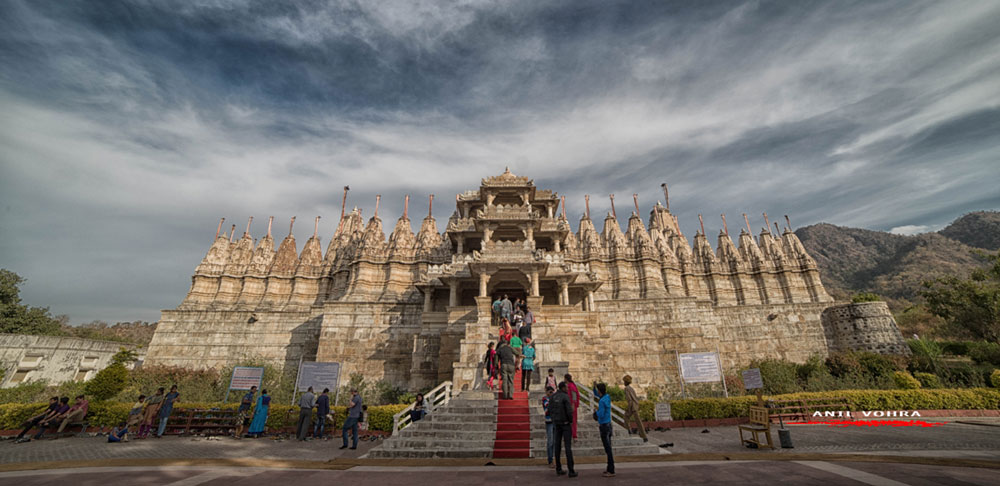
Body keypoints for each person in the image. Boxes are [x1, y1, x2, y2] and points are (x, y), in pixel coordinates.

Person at [550, 382, 576, 477]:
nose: (567, 388)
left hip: (557, 424)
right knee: (568, 447)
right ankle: (571, 470)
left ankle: (558, 468)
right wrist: (570, 420)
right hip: (565, 424)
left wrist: (554, 420)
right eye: (566, 387)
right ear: (563, 388)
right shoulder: (565, 397)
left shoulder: (553, 396)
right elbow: (569, 411)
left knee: (557, 446)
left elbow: (550, 409)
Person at [595, 383, 615, 477]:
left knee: (608, 449)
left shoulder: (601, 401)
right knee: (609, 448)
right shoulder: (607, 397)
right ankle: (609, 468)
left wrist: (596, 413)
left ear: (600, 391)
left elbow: (601, 414)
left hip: (603, 425)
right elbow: (598, 395)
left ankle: (611, 470)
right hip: (609, 424)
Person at [623, 375, 648, 442]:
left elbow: (630, 400)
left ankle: (629, 430)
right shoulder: (631, 388)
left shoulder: (626, 389)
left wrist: (628, 408)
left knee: (626, 417)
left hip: (632, 406)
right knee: (638, 421)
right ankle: (643, 435)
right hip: (635, 405)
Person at [542, 386, 555, 468]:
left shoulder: (553, 399)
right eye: (550, 392)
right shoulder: (545, 399)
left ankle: (554, 458)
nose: (551, 394)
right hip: (549, 421)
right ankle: (550, 460)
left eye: (552, 392)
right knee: (550, 441)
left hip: (555, 421)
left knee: (555, 441)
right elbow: (548, 408)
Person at [565, 374, 580, 439]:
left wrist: (573, 404)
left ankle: (574, 434)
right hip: (569, 405)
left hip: (572, 405)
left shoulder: (571, 386)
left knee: (573, 420)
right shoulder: (569, 385)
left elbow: (574, 395)